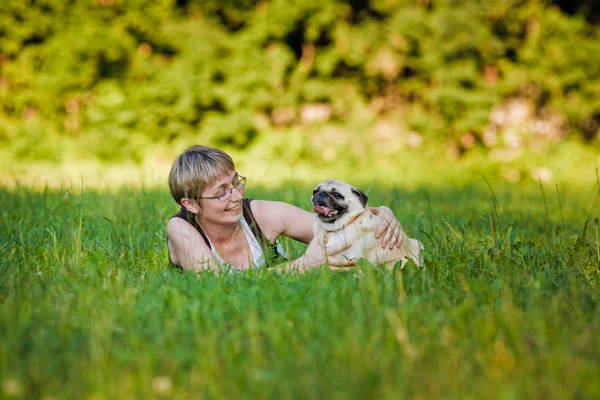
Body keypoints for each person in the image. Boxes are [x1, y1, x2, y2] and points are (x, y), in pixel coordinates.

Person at [167, 145, 405, 274]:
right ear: (191, 204)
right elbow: (215, 288)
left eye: (236, 182)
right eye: (221, 192)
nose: (237, 195)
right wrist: (301, 266)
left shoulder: (260, 215)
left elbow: (343, 229)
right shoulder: (182, 229)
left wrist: (378, 214)